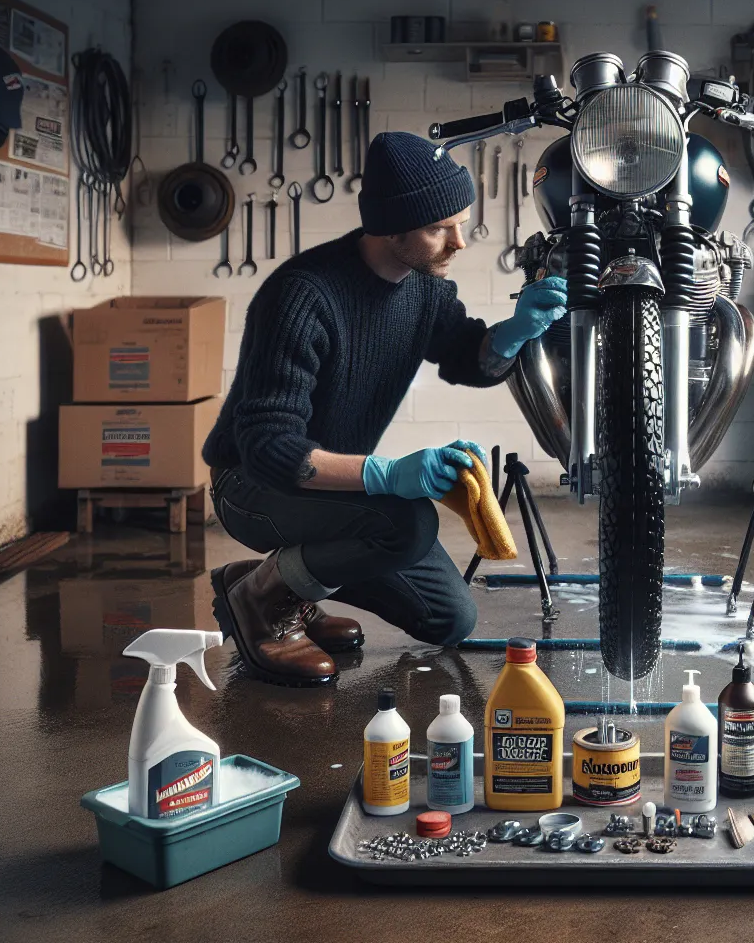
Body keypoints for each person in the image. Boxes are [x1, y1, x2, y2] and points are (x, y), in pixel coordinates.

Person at [203, 131, 567, 688]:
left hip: (326, 489)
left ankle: (274, 579)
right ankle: (260, 600)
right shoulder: (304, 297)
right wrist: (387, 474)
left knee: (449, 618)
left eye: (461, 222)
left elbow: (469, 358)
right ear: (389, 228)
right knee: (408, 521)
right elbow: (269, 448)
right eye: (439, 228)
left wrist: (516, 332)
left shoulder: (422, 290)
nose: (459, 242)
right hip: (251, 486)